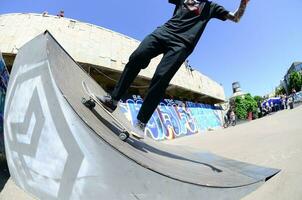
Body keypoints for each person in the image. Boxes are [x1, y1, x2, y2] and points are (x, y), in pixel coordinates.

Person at [98, 0, 250, 138]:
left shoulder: (212, 7)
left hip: (182, 45)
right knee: (138, 56)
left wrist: (243, 3)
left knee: (161, 78)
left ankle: (141, 122)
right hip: (164, 32)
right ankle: (113, 99)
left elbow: (235, 17)